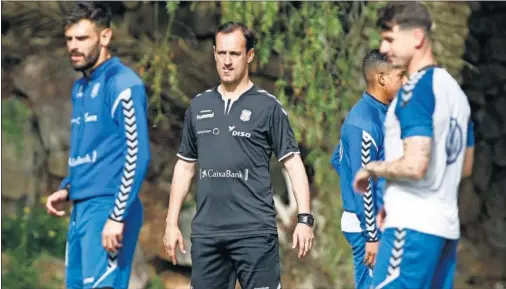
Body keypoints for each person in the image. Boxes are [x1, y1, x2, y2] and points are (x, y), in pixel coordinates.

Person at [162, 21, 315, 289]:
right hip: (208, 235)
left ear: (250, 56)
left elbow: (293, 164)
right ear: (214, 54)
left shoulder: (268, 107)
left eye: (234, 54)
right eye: (222, 53)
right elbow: (185, 167)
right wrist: (171, 222)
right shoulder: (198, 106)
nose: (227, 61)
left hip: (254, 233)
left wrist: (304, 218)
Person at [353, 2, 475, 289]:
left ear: (417, 37)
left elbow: (415, 165)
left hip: (412, 229)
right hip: (444, 231)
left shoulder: (415, 90)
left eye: (390, 38)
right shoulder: (455, 93)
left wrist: (371, 169)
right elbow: (465, 167)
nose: (383, 48)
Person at [45, 2, 151, 289]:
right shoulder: (80, 87)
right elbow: (90, 148)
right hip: (81, 209)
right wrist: (68, 187)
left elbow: (138, 154)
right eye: (69, 39)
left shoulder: (123, 84)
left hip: (108, 206)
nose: (73, 47)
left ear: (105, 37)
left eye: (82, 39)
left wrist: (116, 216)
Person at [330, 49, 404, 289]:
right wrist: (371, 235)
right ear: (382, 78)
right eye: (400, 75)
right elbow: (363, 184)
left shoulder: (383, 114)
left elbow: (337, 159)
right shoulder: (364, 122)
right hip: (368, 230)